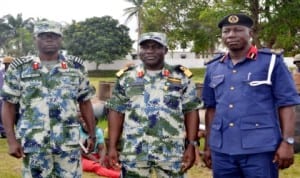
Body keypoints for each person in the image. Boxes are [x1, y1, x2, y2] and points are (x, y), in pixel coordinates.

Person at [202, 13, 300, 178]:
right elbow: (211, 109)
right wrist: (209, 146)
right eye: (226, 31)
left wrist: (287, 142)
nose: (231, 35)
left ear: (250, 33)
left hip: (260, 149)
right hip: (222, 150)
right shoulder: (213, 68)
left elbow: (287, 105)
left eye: (238, 30)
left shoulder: (271, 63)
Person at [0, 20, 96, 178]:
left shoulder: (76, 67)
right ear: (35, 39)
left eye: (54, 35)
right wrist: (11, 140)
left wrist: (92, 135)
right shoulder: (20, 68)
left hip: (68, 143)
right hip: (35, 143)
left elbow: (85, 102)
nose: (49, 39)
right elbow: (8, 104)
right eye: (43, 36)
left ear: (61, 39)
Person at [106, 32, 201, 177]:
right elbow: (116, 111)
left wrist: (191, 145)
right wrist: (112, 146)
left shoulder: (180, 76)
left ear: (165, 50)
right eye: (145, 47)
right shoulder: (126, 77)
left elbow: (191, 111)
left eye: (156, 47)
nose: (150, 51)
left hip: (171, 151)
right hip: (134, 150)